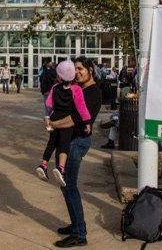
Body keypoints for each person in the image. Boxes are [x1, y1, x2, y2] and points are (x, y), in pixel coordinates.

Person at [46, 56, 101, 248]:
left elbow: (74, 118)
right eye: (74, 69)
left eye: (81, 69)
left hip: (77, 142)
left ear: (90, 70)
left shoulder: (92, 92)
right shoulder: (78, 89)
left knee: (69, 186)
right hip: (69, 141)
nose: (77, 72)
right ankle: (77, 224)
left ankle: (79, 234)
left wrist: (52, 123)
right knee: (65, 185)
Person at [36, 60, 91, 187]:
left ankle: (43, 165)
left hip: (55, 117)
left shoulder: (55, 88)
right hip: (66, 120)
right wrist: (87, 122)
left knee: (52, 143)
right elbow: (81, 107)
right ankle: (61, 168)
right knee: (63, 145)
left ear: (60, 76)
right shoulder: (76, 89)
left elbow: (49, 104)